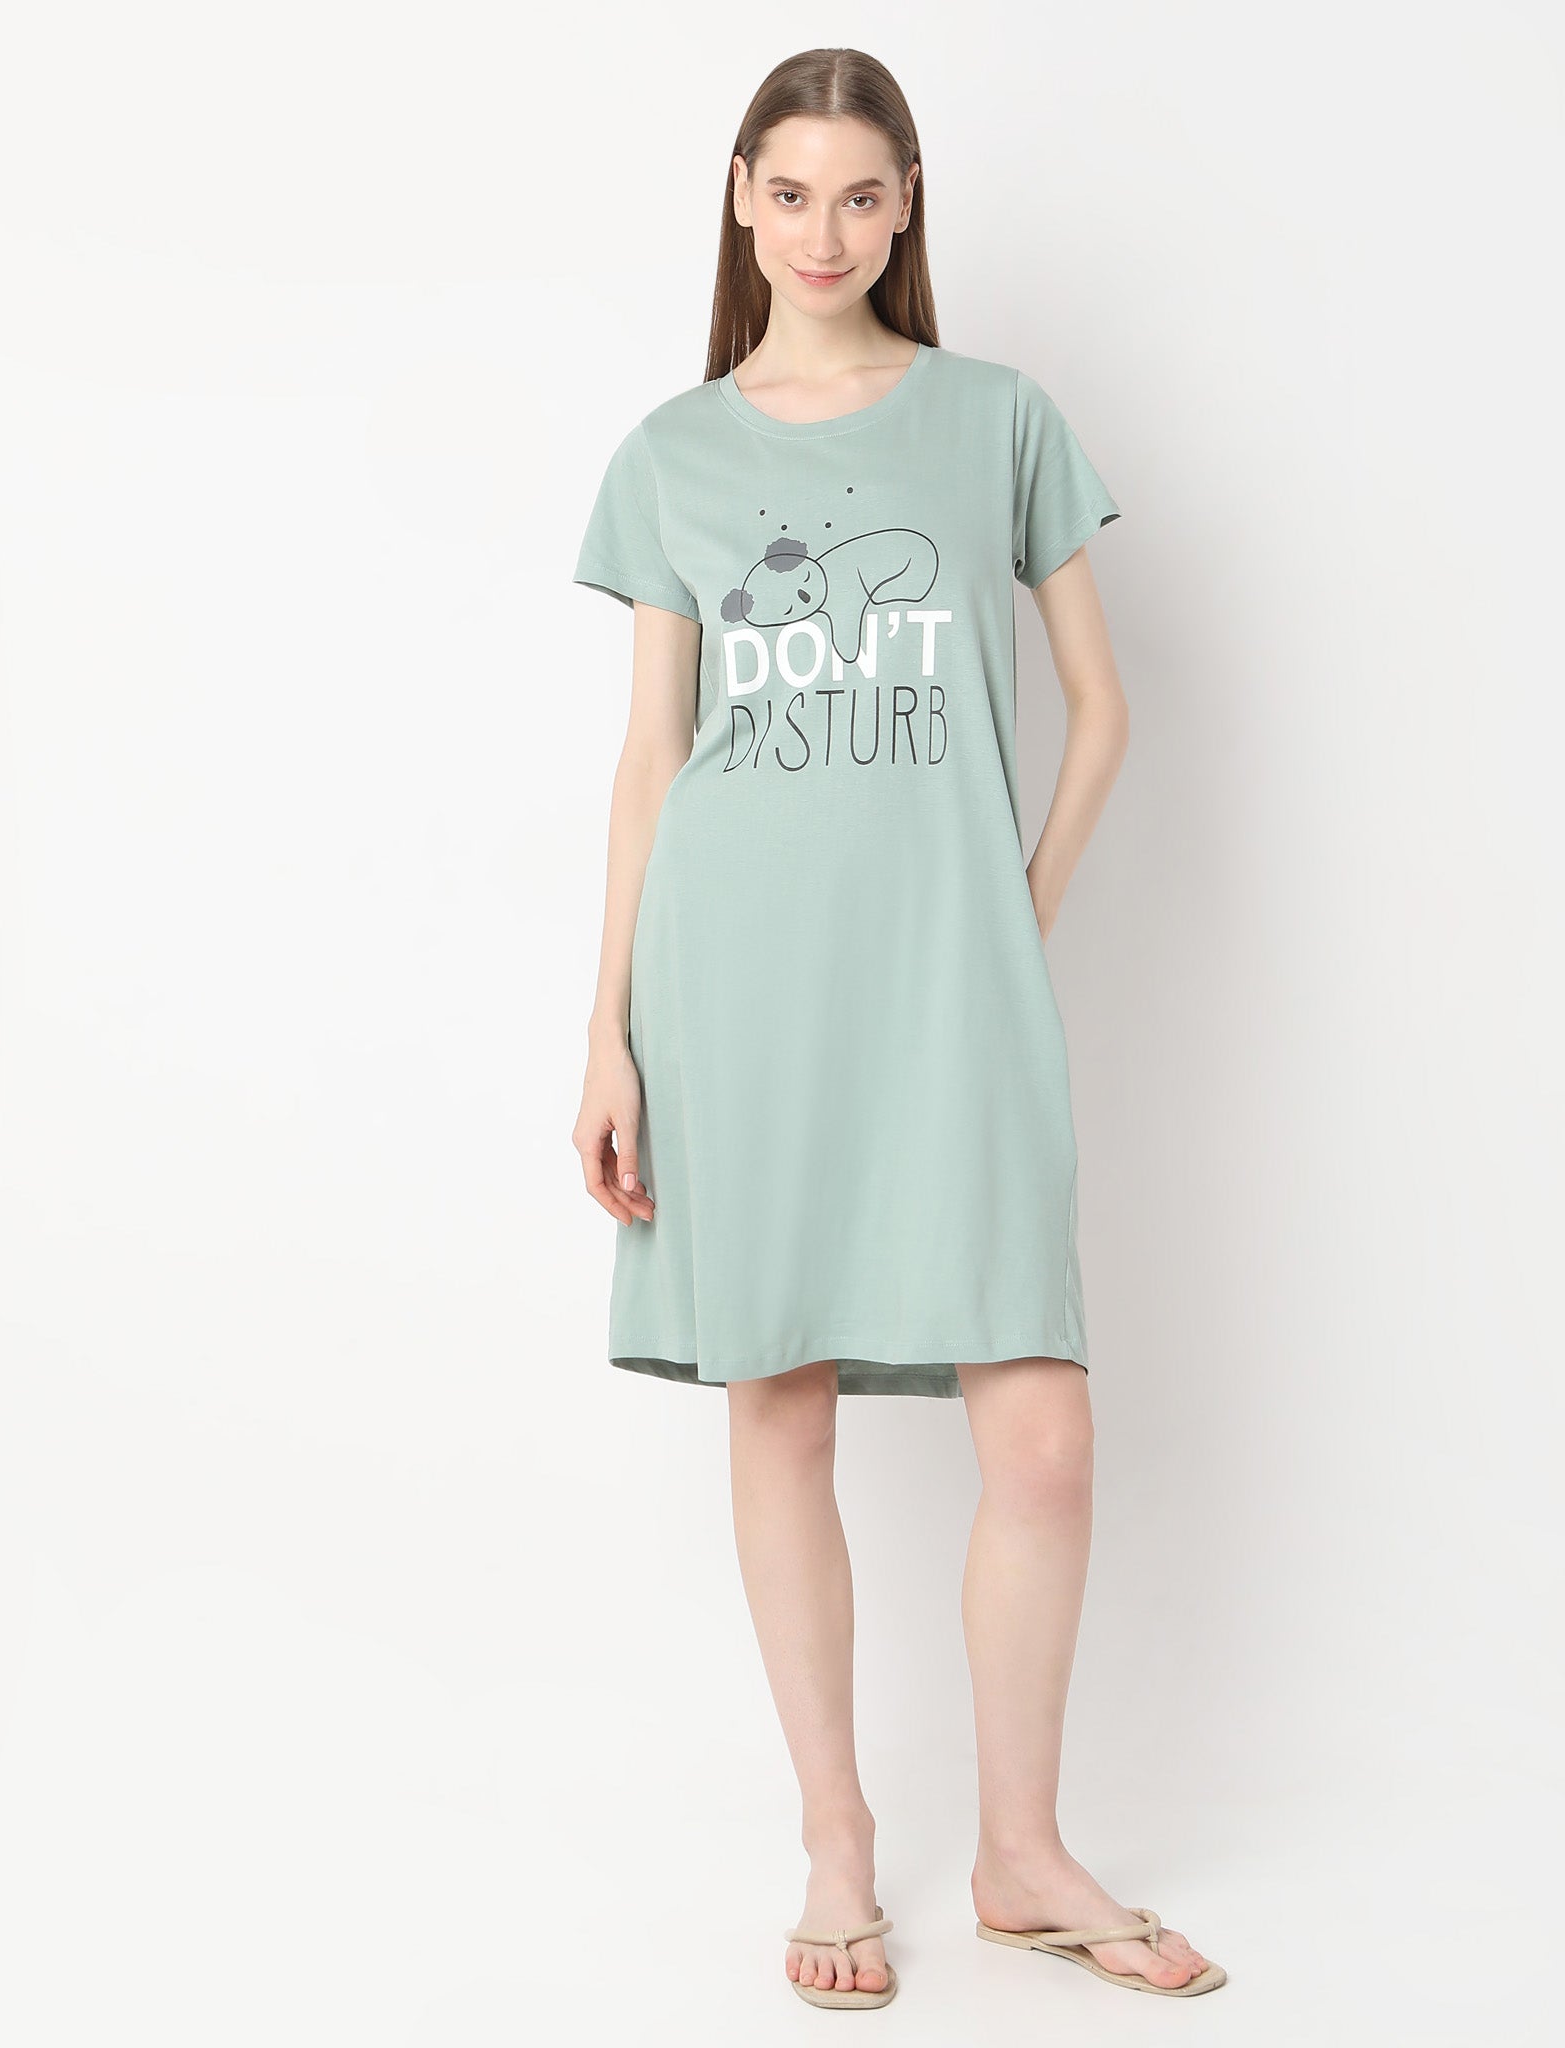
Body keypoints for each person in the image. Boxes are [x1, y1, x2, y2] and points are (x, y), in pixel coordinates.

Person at [568, 47, 1224, 2012]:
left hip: (951, 992)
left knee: (1043, 1433)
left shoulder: (996, 420)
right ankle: (837, 1842)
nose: (826, 231)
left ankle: (1021, 1850)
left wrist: (1014, 919)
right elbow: (652, 762)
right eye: (791, 193)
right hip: (735, 986)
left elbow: (1101, 710)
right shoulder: (672, 456)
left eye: (863, 194)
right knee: (777, 1403)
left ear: (906, 203)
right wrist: (608, 1035)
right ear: (741, 199)